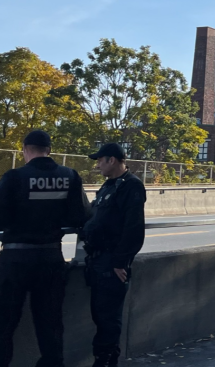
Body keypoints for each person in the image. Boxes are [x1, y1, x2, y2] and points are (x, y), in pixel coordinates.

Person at [0, 130, 91, 367]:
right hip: (50, 258)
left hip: (15, 260)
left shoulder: (14, 177)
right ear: (49, 150)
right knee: (50, 324)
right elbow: (82, 216)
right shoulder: (69, 176)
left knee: (2, 324)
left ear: (25, 149)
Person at [82, 143, 146, 367]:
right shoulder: (108, 187)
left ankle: (106, 361)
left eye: (100, 160)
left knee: (108, 319)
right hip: (98, 261)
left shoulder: (131, 187)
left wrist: (121, 262)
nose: (97, 164)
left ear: (112, 160)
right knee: (100, 316)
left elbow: (134, 228)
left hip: (112, 262)